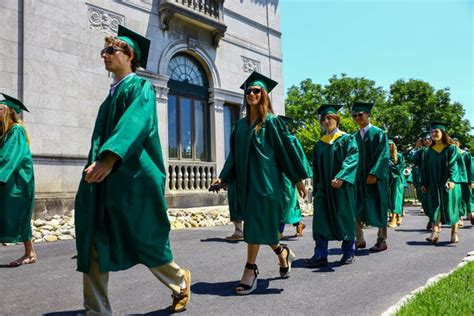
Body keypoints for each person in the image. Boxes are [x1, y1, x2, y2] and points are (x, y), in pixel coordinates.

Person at [74, 26, 190, 314]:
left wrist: (109, 159)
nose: (105, 55)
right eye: (104, 50)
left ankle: (179, 280)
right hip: (104, 181)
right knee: (95, 243)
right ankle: (96, 311)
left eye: (111, 50)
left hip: (133, 181)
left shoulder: (140, 87)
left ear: (129, 55)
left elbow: (135, 125)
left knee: (144, 239)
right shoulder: (110, 96)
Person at [211, 71, 311, 295]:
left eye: (256, 90)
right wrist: (223, 176)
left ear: (264, 95)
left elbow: (286, 153)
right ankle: (282, 253)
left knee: (255, 226)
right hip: (247, 185)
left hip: (267, 185)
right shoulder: (240, 127)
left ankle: (250, 269)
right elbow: (233, 157)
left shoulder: (273, 123)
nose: (251, 93)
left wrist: (297, 180)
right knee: (260, 227)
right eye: (248, 91)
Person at [305, 104, 359, 268]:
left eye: (329, 118)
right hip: (324, 189)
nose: (326, 121)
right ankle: (320, 254)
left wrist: (342, 177)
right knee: (321, 220)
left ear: (337, 119)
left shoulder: (348, 139)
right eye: (323, 119)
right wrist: (317, 189)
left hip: (342, 188)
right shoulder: (320, 144)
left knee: (345, 217)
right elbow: (317, 169)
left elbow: (352, 159)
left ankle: (348, 252)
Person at [0, 93, 36, 267]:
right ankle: (30, 253)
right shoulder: (5, 131)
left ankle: (30, 253)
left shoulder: (16, 130)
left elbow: (8, 156)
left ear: (9, 112)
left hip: (18, 180)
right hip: (9, 179)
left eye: (0, 108)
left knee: (19, 214)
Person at [351, 101, 390, 252]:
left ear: (368, 114)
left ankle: (382, 240)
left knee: (379, 206)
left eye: (360, 114)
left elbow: (383, 156)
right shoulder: (354, 137)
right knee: (355, 208)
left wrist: (374, 173)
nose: (357, 117)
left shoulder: (378, 133)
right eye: (355, 115)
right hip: (358, 179)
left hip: (376, 179)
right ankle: (359, 239)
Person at [421, 122, 463, 244]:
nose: (433, 134)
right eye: (432, 132)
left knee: (451, 207)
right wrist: (424, 183)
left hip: (449, 183)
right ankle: (435, 232)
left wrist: (451, 180)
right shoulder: (428, 151)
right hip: (434, 183)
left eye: (436, 132)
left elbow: (454, 165)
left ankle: (454, 234)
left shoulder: (451, 148)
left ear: (443, 133)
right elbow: (424, 168)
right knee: (435, 206)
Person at [408, 129, 432, 229]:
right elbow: (412, 159)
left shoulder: (438, 150)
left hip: (435, 179)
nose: (427, 141)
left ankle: (435, 222)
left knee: (434, 200)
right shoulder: (421, 151)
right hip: (423, 179)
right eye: (424, 139)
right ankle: (431, 218)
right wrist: (416, 147)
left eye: (428, 138)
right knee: (424, 201)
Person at [451, 134, 471, 227]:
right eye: (453, 141)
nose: (454, 143)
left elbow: (470, 168)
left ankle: (469, 213)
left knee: (465, 198)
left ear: (459, 143)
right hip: (454, 180)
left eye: (456, 142)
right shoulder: (450, 153)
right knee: (457, 199)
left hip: (464, 179)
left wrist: (471, 181)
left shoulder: (465, 154)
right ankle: (459, 218)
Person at [387, 138, 407, 228]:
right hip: (388, 179)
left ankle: (394, 218)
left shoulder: (399, 155)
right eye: (388, 144)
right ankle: (396, 216)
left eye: (391, 144)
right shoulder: (385, 156)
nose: (389, 146)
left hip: (397, 179)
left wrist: (392, 167)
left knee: (396, 198)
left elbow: (402, 166)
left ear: (394, 145)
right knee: (389, 198)